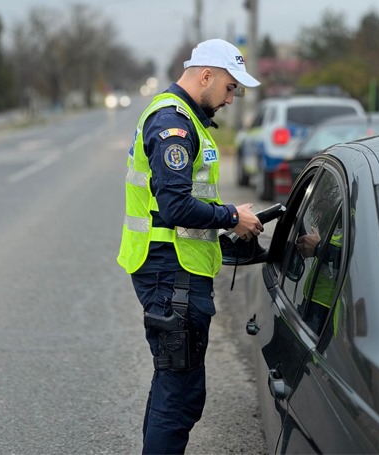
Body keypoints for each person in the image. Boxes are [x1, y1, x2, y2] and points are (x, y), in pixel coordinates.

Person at [116, 38, 264, 454]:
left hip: (174, 272)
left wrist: (230, 224)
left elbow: (187, 202)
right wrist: (232, 216)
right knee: (179, 395)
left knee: (172, 384)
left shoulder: (184, 119)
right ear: (206, 75)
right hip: (170, 275)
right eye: (231, 88)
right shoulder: (172, 123)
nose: (231, 99)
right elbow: (176, 204)